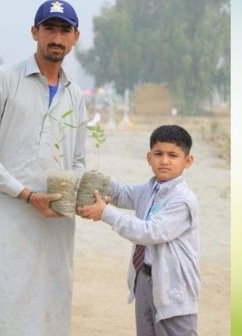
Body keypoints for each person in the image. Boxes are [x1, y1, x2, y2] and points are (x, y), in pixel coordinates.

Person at [0, 0, 88, 336]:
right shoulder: (1, 80)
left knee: (50, 292)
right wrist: (26, 193)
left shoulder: (74, 95)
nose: (57, 38)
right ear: (35, 32)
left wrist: (72, 196)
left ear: (76, 37)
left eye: (65, 30)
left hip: (51, 215)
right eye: (50, 28)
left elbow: (77, 159)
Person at [79, 125, 200, 336]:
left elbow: (150, 232)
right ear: (149, 158)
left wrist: (105, 213)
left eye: (173, 155)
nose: (164, 161)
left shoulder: (183, 199)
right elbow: (122, 193)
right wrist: (95, 179)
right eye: (158, 154)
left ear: (187, 161)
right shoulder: (150, 189)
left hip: (172, 287)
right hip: (144, 280)